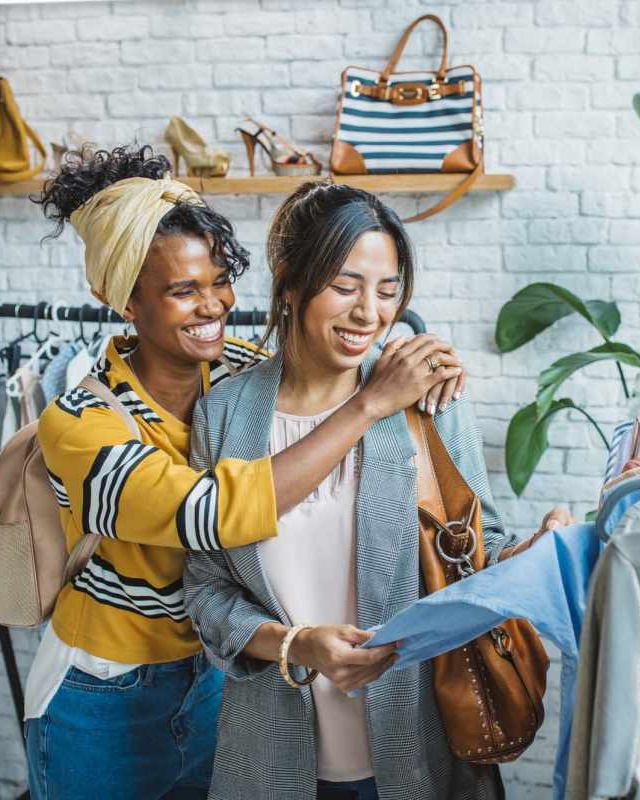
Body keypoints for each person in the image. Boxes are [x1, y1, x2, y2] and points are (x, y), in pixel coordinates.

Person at [23, 148, 468, 800]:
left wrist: (425, 363)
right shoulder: (82, 422)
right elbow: (211, 517)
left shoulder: (234, 374)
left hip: (212, 687)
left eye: (219, 281)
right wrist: (370, 403)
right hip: (106, 692)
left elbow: (309, 363)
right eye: (182, 291)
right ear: (119, 301)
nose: (213, 307)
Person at [184, 182, 569, 800]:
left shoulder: (428, 398)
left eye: (387, 291)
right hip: (268, 757)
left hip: (420, 749)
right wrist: (295, 644)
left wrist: (539, 554)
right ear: (289, 280)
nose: (370, 312)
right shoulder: (223, 414)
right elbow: (205, 592)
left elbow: (475, 550)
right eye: (345, 286)